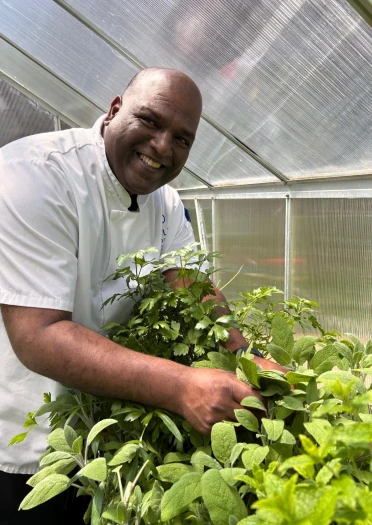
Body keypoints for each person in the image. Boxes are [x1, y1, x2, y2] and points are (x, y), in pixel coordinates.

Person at [0, 67, 284, 523]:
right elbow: (39, 334)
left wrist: (246, 356)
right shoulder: (32, 176)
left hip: (108, 429)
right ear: (114, 110)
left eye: (182, 139)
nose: (162, 147)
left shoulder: (164, 200)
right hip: (30, 434)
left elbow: (190, 287)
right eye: (150, 121)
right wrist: (182, 385)